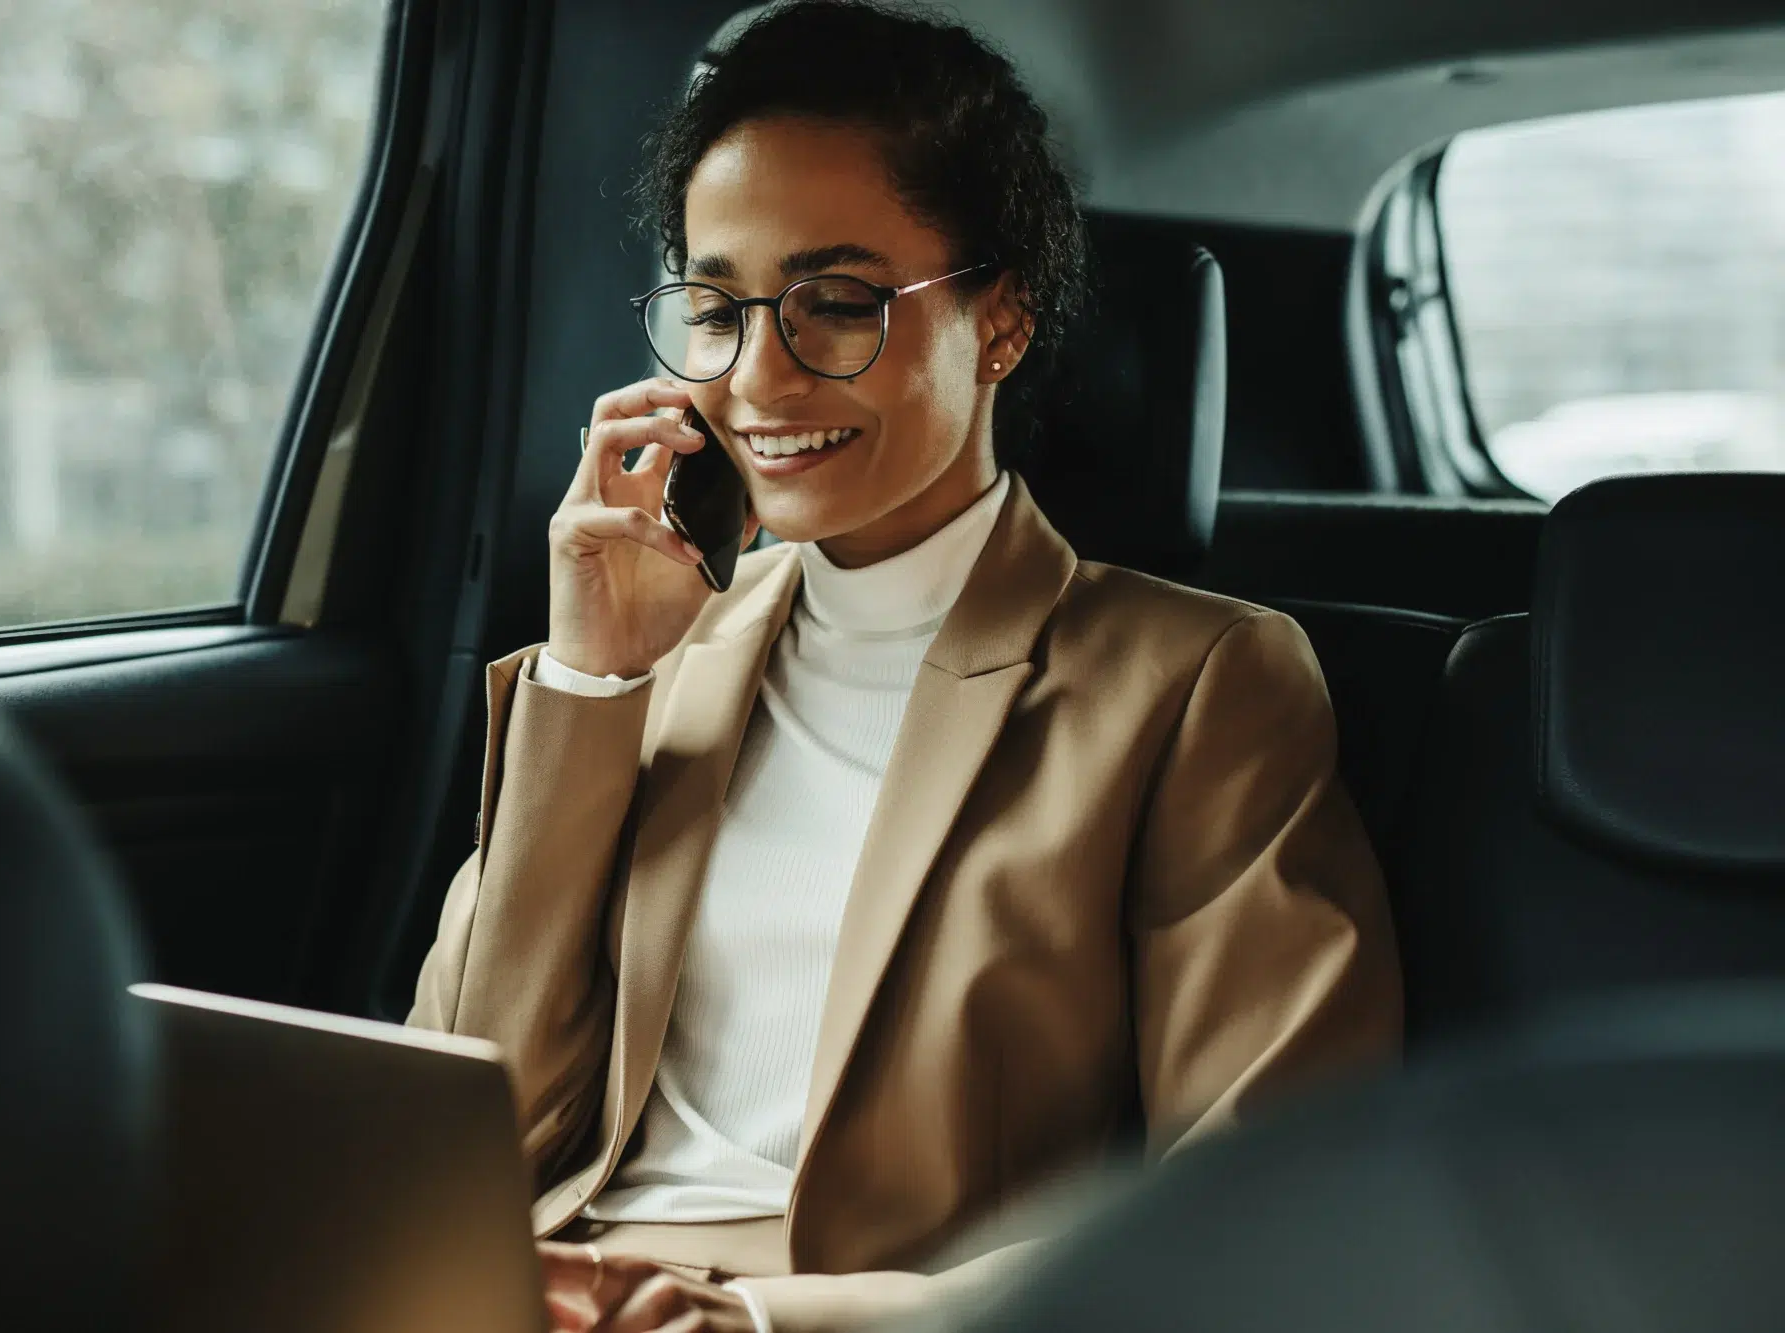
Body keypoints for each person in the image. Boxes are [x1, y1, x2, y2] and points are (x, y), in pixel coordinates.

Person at [408, 4, 1402, 1330]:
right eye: (715, 309)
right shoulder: (661, 649)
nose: (756, 377)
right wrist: (595, 684)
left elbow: (1261, 1210)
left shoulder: (1195, 683)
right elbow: (460, 1129)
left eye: (836, 306)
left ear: (999, 327)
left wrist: (768, 1323)